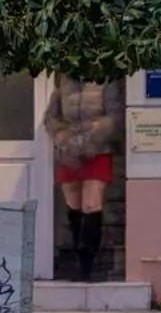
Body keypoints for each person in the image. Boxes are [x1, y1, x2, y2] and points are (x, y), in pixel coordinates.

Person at [43, 76, 124, 281]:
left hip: (97, 150)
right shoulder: (63, 81)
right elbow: (51, 117)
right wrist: (64, 138)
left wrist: (89, 139)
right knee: (73, 205)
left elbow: (114, 118)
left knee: (92, 204)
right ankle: (78, 261)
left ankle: (89, 264)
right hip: (70, 151)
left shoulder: (106, 80)